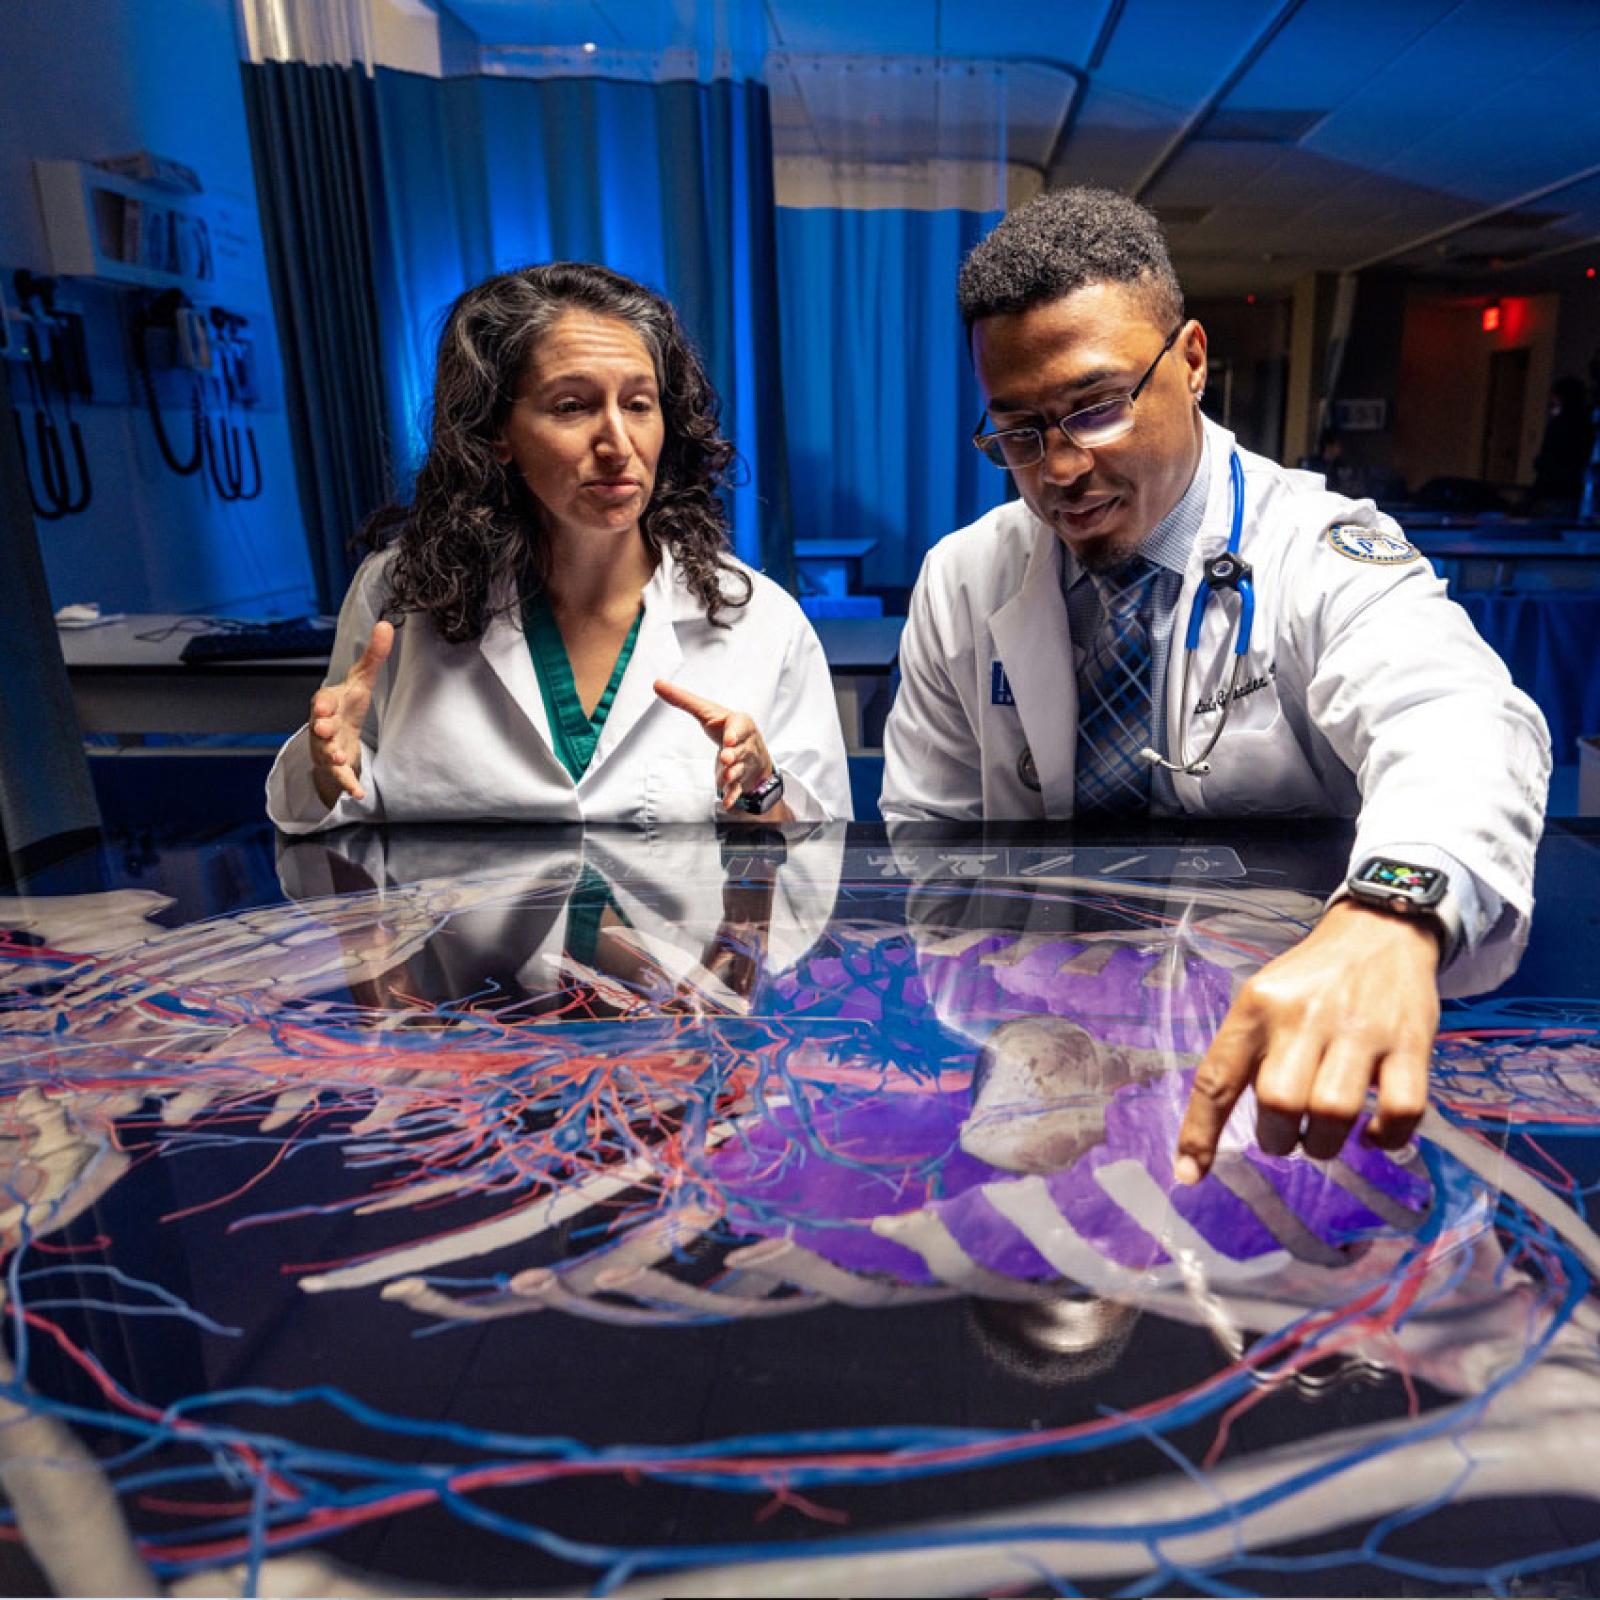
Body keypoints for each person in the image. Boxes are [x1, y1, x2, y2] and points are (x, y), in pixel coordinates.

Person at [880, 188, 1550, 1183]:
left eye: (1096, 409)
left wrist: (1388, 911)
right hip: (1040, 1043)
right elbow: (929, 843)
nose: (1059, 469)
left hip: (1275, 1040)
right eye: (1019, 430)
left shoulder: (1319, 548)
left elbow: (1458, 719)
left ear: (1191, 360)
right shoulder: (964, 577)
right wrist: (1002, 1011)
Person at [267, 262, 851, 833]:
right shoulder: (400, 594)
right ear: (495, 431)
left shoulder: (760, 621)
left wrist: (761, 789)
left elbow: (824, 857)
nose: (618, 444)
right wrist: (327, 767)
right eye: (572, 406)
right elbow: (338, 807)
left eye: (638, 405)